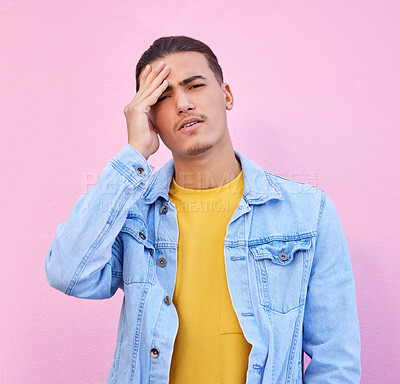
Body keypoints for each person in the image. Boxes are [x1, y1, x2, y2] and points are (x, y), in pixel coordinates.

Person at [45, 35, 361, 383]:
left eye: (194, 85)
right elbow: (67, 273)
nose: (182, 104)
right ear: (150, 118)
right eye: (162, 97)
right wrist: (134, 153)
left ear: (226, 95)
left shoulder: (306, 213)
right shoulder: (134, 213)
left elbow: (336, 361)